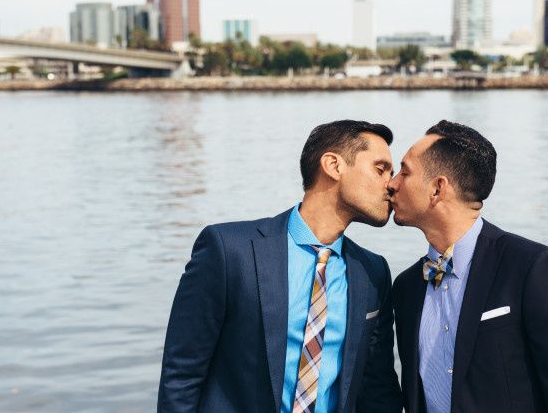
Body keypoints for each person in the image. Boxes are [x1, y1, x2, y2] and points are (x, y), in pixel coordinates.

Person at [158, 120, 403, 413]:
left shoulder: (372, 272)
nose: (391, 183)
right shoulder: (228, 250)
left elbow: (377, 391)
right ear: (333, 165)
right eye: (381, 169)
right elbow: (181, 374)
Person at [388, 120, 548, 413]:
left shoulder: (534, 269)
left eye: (405, 171)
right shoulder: (406, 287)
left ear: (438, 188)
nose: (392, 183)